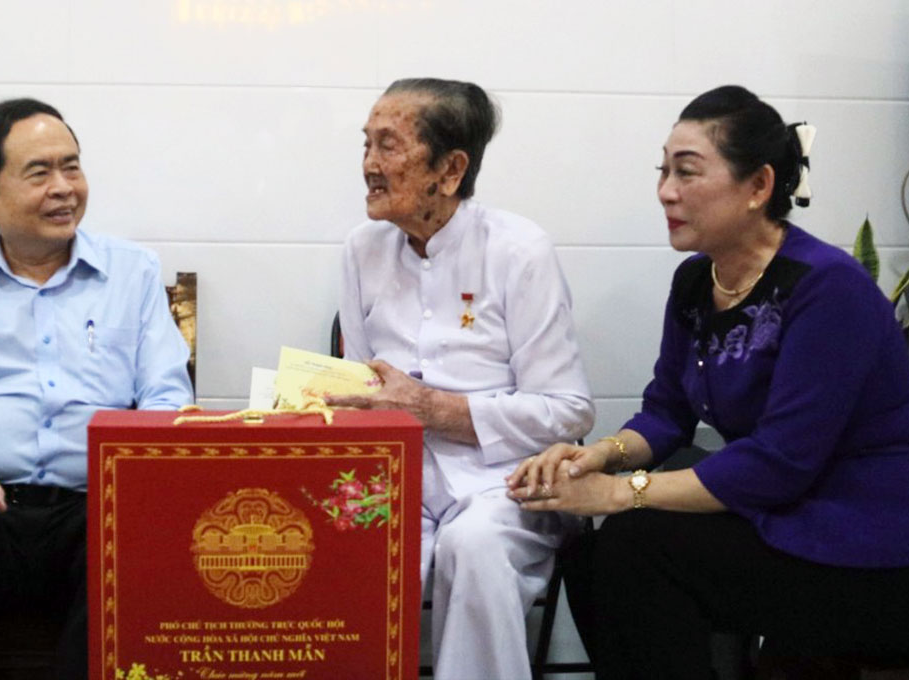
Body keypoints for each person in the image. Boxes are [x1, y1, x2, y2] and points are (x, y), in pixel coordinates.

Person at [508, 85, 909, 679]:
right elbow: (667, 411)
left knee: (636, 546)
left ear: (759, 187)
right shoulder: (698, 281)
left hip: (862, 542)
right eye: (663, 170)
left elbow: (779, 462)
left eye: (687, 172)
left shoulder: (828, 287)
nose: (666, 190)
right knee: (593, 552)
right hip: (783, 514)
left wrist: (623, 492)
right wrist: (599, 457)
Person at [0, 97, 193, 680]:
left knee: (142, 559)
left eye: (71, 167)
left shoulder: (134, 273)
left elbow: (166, 398)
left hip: (95, 508)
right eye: (39, 172)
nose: (64, 188)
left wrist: (139, 487)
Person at [324, 78, 594, 679]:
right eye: (365, 145)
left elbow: (569, 409)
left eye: (388, 147)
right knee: (322, 540)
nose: (369, 165)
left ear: (450, 169)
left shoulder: (520, 250)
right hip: (396, 481)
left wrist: (435, 410)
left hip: (504, 484)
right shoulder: (361, 250)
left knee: (472, 547)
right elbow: (364, 392)